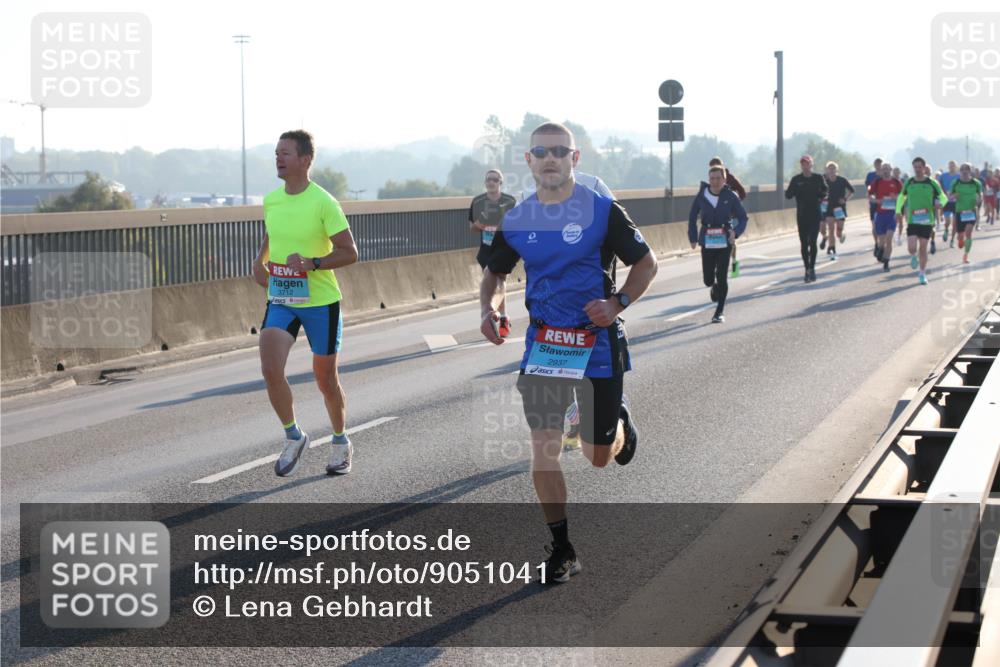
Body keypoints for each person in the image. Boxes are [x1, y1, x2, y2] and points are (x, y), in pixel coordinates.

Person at [480, 122, 658, 584]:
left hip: (596, 343)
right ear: (529, 161)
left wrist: (617, 302)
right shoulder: (518, 219)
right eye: (541, 151)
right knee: (545, 448)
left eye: (560, 151)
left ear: (574, 158)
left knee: (599, 457)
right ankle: (562, 548)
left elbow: (647, 262)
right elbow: (495, 275)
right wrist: (490, 309)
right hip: (545, 345)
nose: (550, 158)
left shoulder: (601, 211)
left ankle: (619, 421)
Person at [252, 130, 359, 476]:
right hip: (282, 296)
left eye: (285, 153)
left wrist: (313, 263)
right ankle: (293, 435)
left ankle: (341, 441)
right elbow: (274, 231)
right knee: (270, 368)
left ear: (305, 159)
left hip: (320, 301)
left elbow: (349, 253)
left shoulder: (324, 202)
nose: (278, 159)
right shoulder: (272, 200)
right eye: (276, 153)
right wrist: (260, 259)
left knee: (325, 378)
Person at [689, 165, 748, 323]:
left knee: (722, 276)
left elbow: (743, 218)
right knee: (708, 279)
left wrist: (735, 232)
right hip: (707, 242)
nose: (715, 182)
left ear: (724, 180)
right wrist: (693, 237)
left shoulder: (731, 196)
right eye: (712, 178)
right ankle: (714, 286)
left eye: (718, 178)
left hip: (724, 242)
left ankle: (719, 311)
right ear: (709, 179)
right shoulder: (702, 196)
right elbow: (692, 216)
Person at [469, 169, 517, 337]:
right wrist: (483, 219)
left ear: (500, 183)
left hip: (504, 246)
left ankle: (496, 315)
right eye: (489, 179)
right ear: (485, 182)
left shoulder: (510, 201)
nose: (491, 182)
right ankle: (501, 316)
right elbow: (473, 228)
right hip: (486, 247)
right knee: (491, 280)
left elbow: (515, 224)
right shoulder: (478, 202)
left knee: (501, 278)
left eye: (495, 180)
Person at [895, 156, 946, 285]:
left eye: (920, 167)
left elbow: (944, 198)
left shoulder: (932, 183)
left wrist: (939, 204)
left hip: (927, 221)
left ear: (924, 168)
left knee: (923, 248)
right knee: (912, 247)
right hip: (912, 220)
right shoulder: (909, 182)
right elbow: (901, 197)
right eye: (915, 167)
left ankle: (922, 273)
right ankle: (913, 256)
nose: (917, 169)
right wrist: (897, 211)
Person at [785, 155, 828, 283]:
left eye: (807, 163)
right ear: (801, 165)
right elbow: (788, 195)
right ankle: (807, 269)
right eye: (803, 164)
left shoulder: (818, 178)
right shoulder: (796, 179)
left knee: (812, 242)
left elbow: (825, 190)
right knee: (804, 244)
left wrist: (820, 197)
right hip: (802, 215)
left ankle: (812, 268)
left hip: (815, 214)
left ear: (811, 165)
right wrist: (795, 190)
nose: (805, 166)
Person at [707, 157, 747, 278]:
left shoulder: (730, 178)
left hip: (731, 216)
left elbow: (743, 193)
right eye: (712, 168)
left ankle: (734, 264)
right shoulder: (712, 180)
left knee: (731, 242)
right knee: (714, 242)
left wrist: (733, 205)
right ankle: (716, 268)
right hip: (716, 218)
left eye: (717, 166)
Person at [868, 162, 903, 272]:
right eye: (883, 169)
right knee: (881, 241)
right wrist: (876, 200)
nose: (885, 171)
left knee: (889, 239)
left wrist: (896, 197)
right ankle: (880, 249)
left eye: (887, 169)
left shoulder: (896, 182)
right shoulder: (877, 182)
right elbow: (869, 194)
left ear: (891, 170)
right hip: (880, 215)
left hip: (892, 215)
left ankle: (887, 262)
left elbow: (904, 196)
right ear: (881, 171)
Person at [819, 161, 855, 260]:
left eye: (833, 169)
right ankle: (832, 249)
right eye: (829, 169)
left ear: (836, 170)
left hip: (839, 208)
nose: (831, 171)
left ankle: (841, 234)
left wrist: (845, 199)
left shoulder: (842, 180)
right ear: (826, 170)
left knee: (838, 231)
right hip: (828, 207)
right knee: (830, 229)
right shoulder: (823, 180)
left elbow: (852, 191)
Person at [949, 162, 983, 265]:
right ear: (960, 171)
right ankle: (959, 239)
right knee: (960, 236)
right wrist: (955, 195)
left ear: (970, 171)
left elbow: (980, 195)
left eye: (966, 169)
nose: (964, 171)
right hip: (960, 211)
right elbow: (950, 196)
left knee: (968, 233)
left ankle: (966, 255)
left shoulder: (976, 183)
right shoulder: (956, 182)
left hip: (971, 211)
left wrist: (978, 199)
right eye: (962, 169)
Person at [938, 161, 960, 246]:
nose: (951, 167)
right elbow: (938, 184)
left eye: (953, 165)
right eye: (950, 166)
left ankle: (952, 240)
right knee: (947, 222)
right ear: (948, 167)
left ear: (956, 167)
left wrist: (956, 194)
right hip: (946, 201)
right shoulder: (943, 176)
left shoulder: (959, 176)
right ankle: (946, 230)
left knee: (955, 223)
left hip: (956, 202)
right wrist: (943, 193)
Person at [865, 157, 884, 256]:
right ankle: (877, 243)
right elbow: (868, 186)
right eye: (876, 164)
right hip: (874, 204)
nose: (878, 166)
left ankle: (882, 244)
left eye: (880, 164)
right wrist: (870, 193)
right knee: (875, 226)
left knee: (883, 227)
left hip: (885, 205)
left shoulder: (886, 175)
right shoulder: (870, 175)